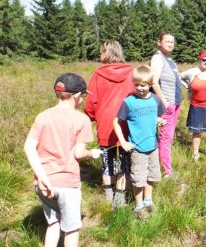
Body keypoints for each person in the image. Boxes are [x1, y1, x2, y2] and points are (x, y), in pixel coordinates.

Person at [24, 73, 102, 247]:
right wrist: (92, 153)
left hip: (43, 183)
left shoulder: (42, 116)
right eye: (82, 96)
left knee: (53, 223)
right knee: (72, 228)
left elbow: (29, 147)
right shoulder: (82, 119)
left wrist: (41, 176)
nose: (82, 99)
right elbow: (79, 154)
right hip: (67, 184)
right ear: (75, 96)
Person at [113, 65, 166, 220]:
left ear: (150, 84)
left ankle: (148, 201)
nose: (139, 88)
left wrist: (159, 121)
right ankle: (139, 206)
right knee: (139, 177)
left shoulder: (155, 100)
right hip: (137, 149)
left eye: (143, 85)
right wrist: (123, 141)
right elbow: (116, 122)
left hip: (153, 147)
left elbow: (155, 117)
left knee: (151, 175)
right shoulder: (129, 102)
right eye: (136, 84)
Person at [85, 40, 134, 209]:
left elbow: (91, 102)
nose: (100, 55)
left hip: (105, 122)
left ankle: (108, 197)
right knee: (125, 159)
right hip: (126, 121)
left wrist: (91, 117)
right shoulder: (131, 72)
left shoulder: (98, 75)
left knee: (108, 160)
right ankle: (120, 199)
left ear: (107, 53)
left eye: (101, 52)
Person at [150, 31, 182, 177]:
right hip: (166, 105)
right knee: (165, 138)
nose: (170, 44)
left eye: (172, 42)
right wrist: (164, 101)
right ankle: (167, 172)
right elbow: (153, 81)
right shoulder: (157, 58)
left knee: (168, 137)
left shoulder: (170, 60)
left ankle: (162, 167)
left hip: (175, 104)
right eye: (167, 41)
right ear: (159, 42)